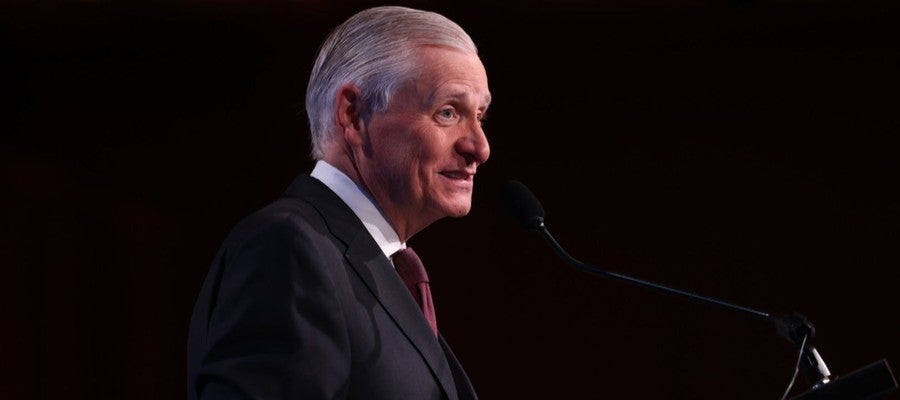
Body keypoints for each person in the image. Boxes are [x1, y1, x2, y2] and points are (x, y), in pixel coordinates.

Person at [186, 5, 491, 400]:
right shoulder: (288, 248)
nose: (480, 147)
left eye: (480, 116)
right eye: (447, 112)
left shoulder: (375, 267)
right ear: (353, 113)